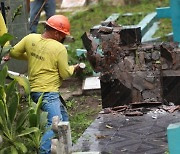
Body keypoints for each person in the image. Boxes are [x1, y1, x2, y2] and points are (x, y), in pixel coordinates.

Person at [10, 15, 80, 153]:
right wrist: (74, 67)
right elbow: (65, 74)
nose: (62, 37)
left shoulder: (30, 38)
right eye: (62, 35)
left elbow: (13, 52)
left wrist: (31, 56)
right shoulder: (59, 48)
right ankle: (44, 151)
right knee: (55, 124)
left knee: (64, 118)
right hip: (48, 93)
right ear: (55, 33)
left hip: (34, 90)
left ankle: (65, 149)